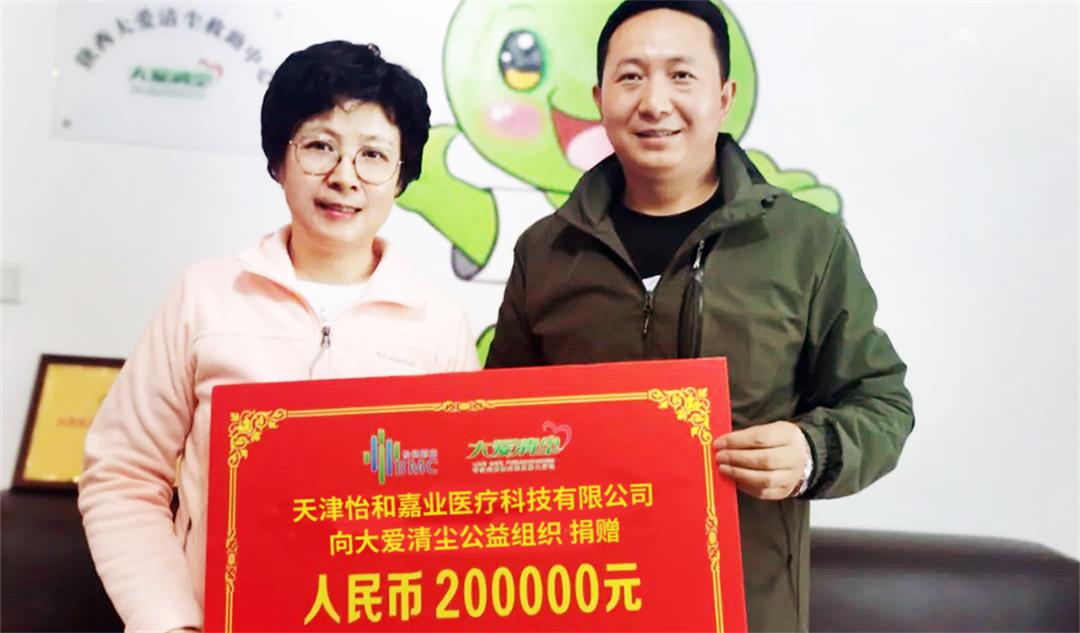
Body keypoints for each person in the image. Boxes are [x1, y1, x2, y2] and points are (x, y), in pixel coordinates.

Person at [485, 2, 914, 630]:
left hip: (745, 608)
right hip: (585, 603)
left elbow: (881, 403)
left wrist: (811, 451)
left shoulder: (805, 242)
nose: (655, 102)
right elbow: (500, 423)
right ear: (600, 100)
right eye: (631, 77)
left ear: (724, 97)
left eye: (681, 75)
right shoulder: (547, 252)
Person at [78, 41, 479, 631]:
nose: (345, 177)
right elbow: (123, 475)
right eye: (319, 146)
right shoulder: (204, 295)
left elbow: (457, 510)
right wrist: (169, 622)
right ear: (278, 162)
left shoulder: (437, 322)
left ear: (400, 178)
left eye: (373, 155)